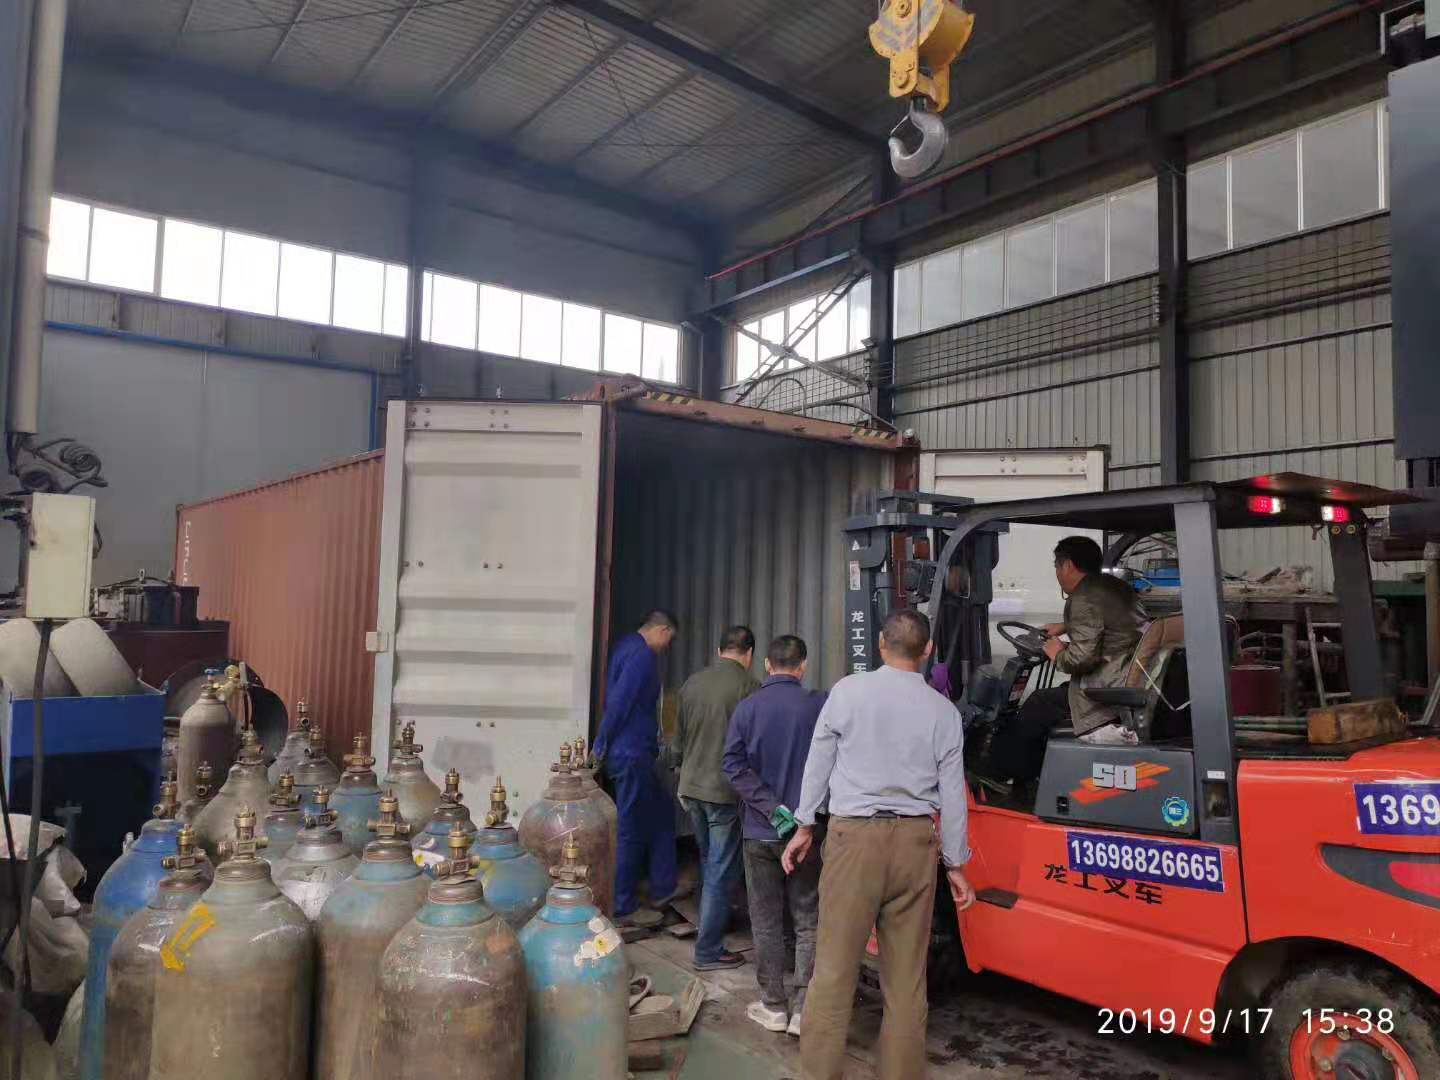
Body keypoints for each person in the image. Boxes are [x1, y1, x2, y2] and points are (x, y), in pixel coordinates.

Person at [783, 609, 974, 1080]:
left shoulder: (848, 692)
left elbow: (818, 763)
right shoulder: (944, 712)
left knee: (834, 970)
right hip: (915, 844)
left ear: (881, 645)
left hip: (854, 841)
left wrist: (804, 824)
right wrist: (955, 863)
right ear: (927, 651)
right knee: (907, 980)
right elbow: (953, 794)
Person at [722, 634, 828, 1036]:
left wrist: (770, 807)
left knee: (765, 921)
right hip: (808, 831)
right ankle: (804, 1010)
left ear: (767, 664)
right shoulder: (819, 705)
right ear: (803, 666)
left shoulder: (747, 708)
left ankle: (773, 1006)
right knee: (807, 918)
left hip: (760, 832)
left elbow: (733, 766)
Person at [986, 536, 1147, 783]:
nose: (1057, 574)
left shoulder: (1084, 597)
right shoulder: (1114, 587)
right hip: (1121, 675)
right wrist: (1065, 627)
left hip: (1106, 690)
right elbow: (1112, 633)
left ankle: (1005, 775)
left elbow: (1081, 658)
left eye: (1057, 567)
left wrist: (1058, 653)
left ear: (1068, 565)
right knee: (1049, 700)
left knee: (1038, 703)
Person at [672, 625, 758, 971]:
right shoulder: (749, 687)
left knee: (710, 863)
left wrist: (680, 773)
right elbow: (755, 746)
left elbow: (678, 740)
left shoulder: (692, 683)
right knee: (721, 870)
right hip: (723, 792)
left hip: (691, 788)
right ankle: (708, 951)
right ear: (749, 654)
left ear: (719, 650)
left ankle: (711, 930)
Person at [594, 610, 679, 920]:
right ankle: (622, 903)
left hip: (634, 753)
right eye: (669, 639)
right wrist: (600, 744)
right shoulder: (642, 655)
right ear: (662, 630)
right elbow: (620, 702)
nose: (667, 647)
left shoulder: (625, 646)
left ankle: (663, 887)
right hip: (631, 754)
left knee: (661, 813)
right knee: (630, 828)